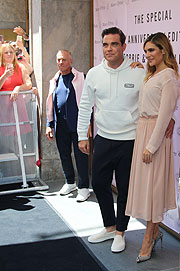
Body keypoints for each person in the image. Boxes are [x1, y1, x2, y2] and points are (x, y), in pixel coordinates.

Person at [77, 27, 175, 253]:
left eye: (114, 44)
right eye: (105, 44)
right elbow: (85, 106)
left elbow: (158, 98)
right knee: (99, 183)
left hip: (132, 140)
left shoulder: (140, 71)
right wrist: (83, 134)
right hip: (103, 137)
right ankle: (109, 227)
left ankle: (121, 231)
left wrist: (170, 118)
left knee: (125, 189)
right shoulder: (93, 73)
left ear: (123, 46)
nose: (109, 49)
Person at [125, 32, 179, 263]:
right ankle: (154, 232)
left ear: (163, 50)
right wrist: (141, 69)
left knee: (154, 189)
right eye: (145, 51)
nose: (147, 55)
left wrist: (152, 146)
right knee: (147, 189)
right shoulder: (151, 75)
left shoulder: (169, 76)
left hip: (155, 136)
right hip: (143, 131)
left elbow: (166, 114)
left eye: (152, 51)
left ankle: (149, 237)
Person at [46, 50, 91, 202]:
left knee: (81, 156)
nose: (61, 62)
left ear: (70, 61)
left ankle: (84, 188)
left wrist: (89, 123)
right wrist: (49, 124)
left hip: (78, 125)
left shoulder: (80, 77)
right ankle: (70, 182)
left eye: (64, 60)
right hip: (61, 125)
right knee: (64, 154)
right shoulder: (55, 79)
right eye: (58, 60)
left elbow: (89, 102)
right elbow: (50, 103)